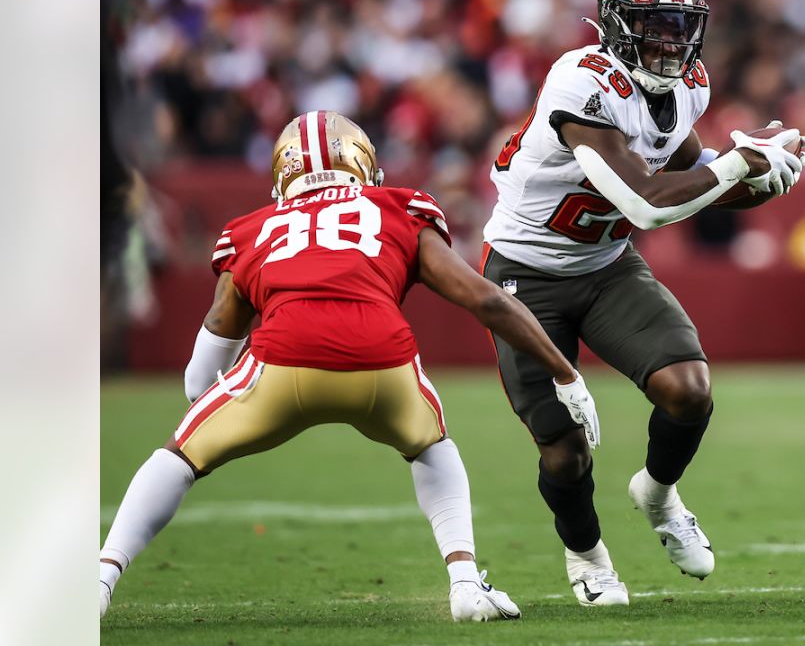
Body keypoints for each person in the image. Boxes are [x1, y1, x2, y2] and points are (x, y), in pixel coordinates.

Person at [100, 111, 599, 622]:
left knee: (177, 457)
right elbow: (485, 301)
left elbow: (199, 376)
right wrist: (565, 371)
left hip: (282, 359)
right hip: (382, 360)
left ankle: (99, 580)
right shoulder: (401, 206)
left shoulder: (252, 229)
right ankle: (466, 583)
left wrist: (213, 419)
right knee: (432, 445)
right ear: (364, 165)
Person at [480, 0, 805, 606]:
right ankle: (587, 556)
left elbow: (691, 183)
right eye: (655, 23)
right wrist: (739, 162)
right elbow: (645, 202)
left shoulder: (688, 87)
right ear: (615, 22)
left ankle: (658, 494)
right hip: (526, 274)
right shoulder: (582, 82)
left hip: (606, 267)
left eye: (681, 23)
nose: (672, 39)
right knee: (566, 451)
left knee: (688, 389)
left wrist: (758, 178)